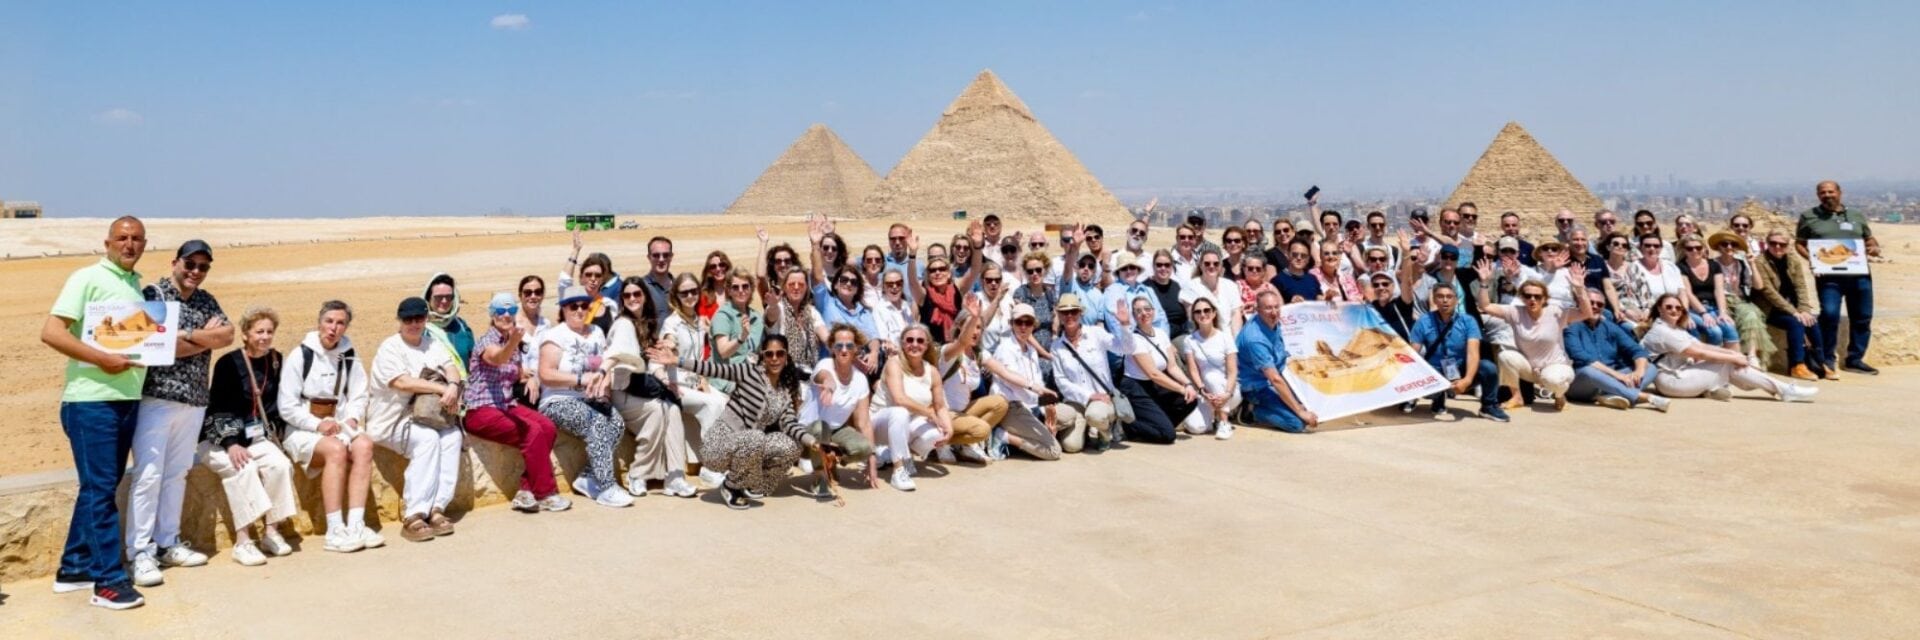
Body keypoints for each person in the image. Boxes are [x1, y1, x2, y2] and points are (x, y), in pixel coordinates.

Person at [39, 217, 152, 608]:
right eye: (122, 238)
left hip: (126, 400)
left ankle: (74, 568)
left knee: (98, 487)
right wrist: (102, 359)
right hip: (91, 402)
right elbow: (52, 332)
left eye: (136, 239)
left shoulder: (135, 286)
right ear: (107, 243)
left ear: (144, 244)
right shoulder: (86, 278)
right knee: (101, 491)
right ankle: (108, 582)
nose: (129, 244)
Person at [124, 239, 232, 586]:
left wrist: (184, 336)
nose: (195, 272)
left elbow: (227, 335)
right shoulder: (153, 295)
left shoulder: (206, 300)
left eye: (203, 267)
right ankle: (139, 552)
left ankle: (167, 542)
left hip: (195, 400)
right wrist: (200, 336)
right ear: (175, 262)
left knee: (177, 474)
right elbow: (154, 346)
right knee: (148, 475)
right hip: (156, 399)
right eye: (190, 264)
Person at [647, 335, 808, 509]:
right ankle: (731, 486)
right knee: (756, 437)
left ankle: (755, 485)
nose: (774, 358)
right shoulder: (749, 372)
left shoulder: (784, 392)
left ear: (786, 356)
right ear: (763, 356)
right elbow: (713, 369)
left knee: (792, 446)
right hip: (718, 447)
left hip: (750, 445)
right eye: (769, 354)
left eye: (780, 353)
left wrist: (813, 442)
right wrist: (677, 360)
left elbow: (790, 424)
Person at [277, 300, 383, 553]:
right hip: (303, 429)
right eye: (329, 321)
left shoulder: (349, 355)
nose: (333, 328)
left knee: (364, 445)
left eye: (340, 323)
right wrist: (317, 424)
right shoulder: (301, 355)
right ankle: (334, 529)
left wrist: (353, 417)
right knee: (336, 450)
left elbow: (359, 394)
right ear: (319, 322)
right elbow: (287, 406)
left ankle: (355, 524)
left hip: (339, 425)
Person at [199, 306, 298, 567]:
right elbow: (217, 407)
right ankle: (243, 542)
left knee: (280, 465)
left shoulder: (275, 360)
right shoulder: (229, 363)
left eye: (269, 331)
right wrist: (231, 443)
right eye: (259, 332)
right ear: (245, 334)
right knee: (244, 468)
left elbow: (278, 404)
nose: (265, 337)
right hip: (218, 440)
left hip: (255, 437)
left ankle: (271, 532)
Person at [369, 297, 467, 543]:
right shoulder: (390, 347)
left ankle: (437, 508)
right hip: (392, 420)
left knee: (453, 436)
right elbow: (402, 382)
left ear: (426, 319)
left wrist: (453, 385)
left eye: (419, 319)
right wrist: (440, 388)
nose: (414, 324)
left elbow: (451, 367)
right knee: (427, 439)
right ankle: (414, 513)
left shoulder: (431, 343)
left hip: (428, 415)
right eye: (408, 319)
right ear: (399, 320)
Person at [463, 292, 570, 514]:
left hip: (505, 405)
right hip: (481, 410)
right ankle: (546, 494)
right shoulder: (488, 341)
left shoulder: (511, 342)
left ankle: (525, 490)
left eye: (510, 310)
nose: (505, 315)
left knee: (547, 427)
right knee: (531, 432)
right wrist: (513, 341)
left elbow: (516, 372)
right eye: (500, 310)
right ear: (492, 314)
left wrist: (528, 377)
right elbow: (497, 358)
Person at [536, 286, 634, 508]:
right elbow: (545, 374)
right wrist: (581, 379)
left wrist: (604, 386)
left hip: (590, 399)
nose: (579, 310)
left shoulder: (597, 332)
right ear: (564, 309)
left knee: (616, 423)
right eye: (574, 306)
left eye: (584, 305)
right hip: (558, 401)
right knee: (596, 422)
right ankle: (607, 487)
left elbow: (605, 365)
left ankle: (588, 477)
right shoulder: (554, 335)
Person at [604, 280, 700, 499]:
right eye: (627, 295)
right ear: (622, 300)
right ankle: (638, 474)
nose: (632, 299)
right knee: (659, 410)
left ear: (645, 296)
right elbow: (618, 356)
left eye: (637, 293)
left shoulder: (647, 324)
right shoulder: (623, 324)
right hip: (623, 390)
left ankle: (675, 477)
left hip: (641, 390)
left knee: (672, 408)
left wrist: (664, 379)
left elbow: (653, 361)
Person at [1640, 294, 1818, 403]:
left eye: (1678, 308)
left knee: (1730, 361)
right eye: (1669, 307)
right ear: (1659, 309)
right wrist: (1733, 358)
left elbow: (1701, 345)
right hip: (1671, 381)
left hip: (1680, 373)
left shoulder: (1674, 328)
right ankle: (1784, 390)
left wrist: (1732, 352)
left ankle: (1712, 389)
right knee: (1729, 364)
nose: (1674, 310)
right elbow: (1698, 353)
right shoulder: (1662, 331)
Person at [1473, 267, 1584, 411]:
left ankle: (1559, 396)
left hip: (1555, 367)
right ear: (1522, 297)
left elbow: (1585, 313)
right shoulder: (1515, 312)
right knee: (1505, 356)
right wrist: (1484, 283)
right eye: (1528, 295)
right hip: (1530, 369)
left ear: (1544, 298)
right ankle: (1517, 397)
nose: (1532, 299)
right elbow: (1485, 306)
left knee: (1553, 380)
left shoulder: (1556, 312)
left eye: (1537, 296)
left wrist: (1580, 290)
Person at [869, 324, 963, 490]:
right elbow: (899, 399)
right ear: (902, 343)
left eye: (920, 341)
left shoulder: (932, 371)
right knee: (900, 413)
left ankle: (901, 454)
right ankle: (899, 470)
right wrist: (929, 413)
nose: (914, 344)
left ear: (927, 345)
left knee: (937, 434)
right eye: (910, 340)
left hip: (908, 423)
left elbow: (940, 406)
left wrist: (949, 429)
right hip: (879, 424)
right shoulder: (894, 363)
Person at [1799, 180, 1878, 375]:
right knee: (1830, 314)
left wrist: (1874, 247)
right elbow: (1799, 243)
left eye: (1831, 191)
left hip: (1859, 275)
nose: (1827, 195)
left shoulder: (1856, 215)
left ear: (1839, 193)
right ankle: (1827, 359)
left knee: (1862, 317)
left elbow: (1869, 239)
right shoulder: (1809, 217)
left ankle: (1855, 359)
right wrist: (1813, 260)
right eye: (1823, 192)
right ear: (1818, 195)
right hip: (1829, 277)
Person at [1410, 283, 1510, 422]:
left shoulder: (1468, 321)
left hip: (1460, 370)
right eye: (1440, 296)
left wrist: (1467, 380)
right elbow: (1413, 354)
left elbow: (1473, 353)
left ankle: (1489, 406)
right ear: (1434, 300)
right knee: (1422, 376)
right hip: (1435, 372)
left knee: (1488, 367)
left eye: (1449, 296)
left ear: (1456, 300)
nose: (1445, 300)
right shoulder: (1423, 321)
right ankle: (1437, 397)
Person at [1563, 288, 1670, 411]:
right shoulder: (1572, 325)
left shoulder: (1609, 326)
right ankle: (1645, 397)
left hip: (1611, 379)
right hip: (1583, 383)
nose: (1595, 306)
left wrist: (1639, 372)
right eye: (1591, 303)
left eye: (1599, 304)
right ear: (1581, 303)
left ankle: (1612, 394)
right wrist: (1617, 376)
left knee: (1651, 367)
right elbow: (1581, 356)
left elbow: (1637, 350)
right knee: (1587, 371)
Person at [1112, 296, 1200, 443]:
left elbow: (1172, 367)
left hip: (1154, 386)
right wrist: (1181, 389)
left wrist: (1188, 385)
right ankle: (1129, 426)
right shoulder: (1135, 340)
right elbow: (1153, 374)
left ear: (1153, 311)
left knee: (1190, 399)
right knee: (1168, 435)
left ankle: (1155, 426)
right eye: (1138, 311)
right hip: (1136, 387)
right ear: (1134, 316)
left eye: (1147, 309)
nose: (1144, 313)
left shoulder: (1161, 333)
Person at [808, 325, 881, 495]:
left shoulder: (860, 379)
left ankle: (831, 460)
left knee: (864, 448)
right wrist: (829, 384)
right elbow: (823, 375)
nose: (844, 350)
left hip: (837, 430)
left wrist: (872, 463)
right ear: (832, 348)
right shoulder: (824, 364)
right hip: (809, 431)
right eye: (839, 345)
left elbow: (864, 423)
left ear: (856, 349)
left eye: (849, 345)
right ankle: (820, 477)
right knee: (820, 428)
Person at [1233, 290, 1317, 432]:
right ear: (1258, 310)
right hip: (1256, 387)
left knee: (1311, 404)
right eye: (1268, 308)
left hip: (1273, 378)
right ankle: (1250, 410)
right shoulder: (1255, 339)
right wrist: (1299, 411)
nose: (1273, 312)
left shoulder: (1270, 321)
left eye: (1276, 307)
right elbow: (1275, 379)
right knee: (1297, 423)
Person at [1050, 294, 1126, 450]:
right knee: (1071, 446)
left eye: (1073, 311)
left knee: (1095, 415)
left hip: (1102, 398)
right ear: (1059, 315)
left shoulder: (1096, 333)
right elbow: (1061, 381)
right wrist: (1088, 396)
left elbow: (1125, 348)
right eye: (1064, 312)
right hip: (1076, 402)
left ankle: (1105, 432)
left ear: (1080, 313)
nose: (1069, 316)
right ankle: (1085, 428)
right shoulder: (1056, 346)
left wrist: (1124, 326)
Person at [932, 305, 1005, 461]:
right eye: (971, 326)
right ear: (960, 327)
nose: (975, 331)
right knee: (982, 430)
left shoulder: (978, 354)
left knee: (1000, 403)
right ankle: (940, 441)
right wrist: (975, 316)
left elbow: (1005, 373)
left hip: (962, 412)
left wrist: (1035, 387)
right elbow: (961, 341)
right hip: (945, 414)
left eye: (979, 327)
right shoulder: (949, 351)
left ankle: (964, 444)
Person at [1753, 230, 1829, 381]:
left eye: (1782, 244)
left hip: (1791, 306)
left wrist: (1804, 309)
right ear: (1767, 244)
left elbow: (1801, 286)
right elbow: (1769, 292)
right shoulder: (1760, 262)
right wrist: (1794, 312)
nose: (1777, 247)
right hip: (1770, 309)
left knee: (1812, 321)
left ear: (1788, 246)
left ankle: (1821, 363)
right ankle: (1797, 365)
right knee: (1796, 323)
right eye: (1773, 243)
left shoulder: (1793, 260)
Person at [1708, 229, 1775, 366]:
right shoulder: (1712, 264)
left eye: (1733, 244)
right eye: (1725, 244)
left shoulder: (1741, 264)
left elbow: (1759, 286)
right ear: (1719, 247)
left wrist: (1752, 264)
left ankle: (1751, 355)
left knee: (1751, 315)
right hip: (1718, 301)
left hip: (1738, 300)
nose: (1729, 247)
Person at [1179, 297, 1240, 438]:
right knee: (1196, 427)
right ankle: (1215, 416)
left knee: (1211, 376)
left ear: (1214, 313)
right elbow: (1193, 370)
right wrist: (1202, 390)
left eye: (1207, 310)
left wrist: (1227, 394)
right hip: (1205, 393)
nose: (1203, 314)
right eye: (1198, 311)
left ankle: (1224, 422)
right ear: (1193, 316)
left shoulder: (1225, 338)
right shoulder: (1190, 340)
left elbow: (1232, 371)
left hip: (1229, 391)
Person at [1677, 234, 1743, 352]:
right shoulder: (1681, 267)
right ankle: (1713, 360)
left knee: (1729, 328)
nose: (1694, 251)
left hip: (1713, 307)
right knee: (1715, 331)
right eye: (1690, 248)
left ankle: (1735, 361)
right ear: (1684, 250)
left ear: (1704, 248)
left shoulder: (1714, 265)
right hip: (1694, 309)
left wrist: (1722, 312)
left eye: (1698, 247)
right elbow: (1688, 293)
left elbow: (1719, 290)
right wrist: (1703, 313)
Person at [709, 267, 766, 387]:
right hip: (727, 381)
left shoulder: (756, 317)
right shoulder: (723, 316)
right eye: (735, 287)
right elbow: (723, 352)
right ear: (729, 291)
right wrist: (741, 337)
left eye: (745, 286)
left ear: (751, 289)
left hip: (751, 376)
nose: (741, 291)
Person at [765, 267, 830, 372]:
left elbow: (825, 336)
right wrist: (772, 306)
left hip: (810, 371)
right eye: (791, 284)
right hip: (784, 372)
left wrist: (838, 346)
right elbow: (771, 316)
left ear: (806, 288)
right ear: (784, 287)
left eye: (801, 284)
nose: (796, 287)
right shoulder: (779, 307)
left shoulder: (811, 311)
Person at [421, 273, 476, 373]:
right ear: (428, 298)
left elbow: (474, 361)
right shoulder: (418, 328)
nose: (444, 301)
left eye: (449, 297)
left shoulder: (461, 326)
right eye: (438, 297)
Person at [1185, 248, 1243, 335]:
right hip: (1203, 336)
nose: (1211, 266)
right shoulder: (1191, 287)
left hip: (1229, 336)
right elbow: (1194, 319)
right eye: (1207, 263)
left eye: (1216, 263)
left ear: (1220, 266)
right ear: (1200, 265)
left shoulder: (1231, 285)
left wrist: (1236, 340)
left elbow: (1236, 315)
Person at [1011, 251, 1060, 348]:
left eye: (1038, 270)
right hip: (1029, 349)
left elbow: (1055, 320)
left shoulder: (1050, 294)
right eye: (1030, 271)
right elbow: (1023, 329)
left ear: (1045, 270)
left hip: (1051, 347)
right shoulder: (1021, 294)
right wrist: (1044, 353)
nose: (1034, 274)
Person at [514, 275, 550, 375]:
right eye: (528, 293)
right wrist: (520, 372)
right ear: (520, 296)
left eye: (537, 292)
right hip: (518, 381)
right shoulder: (512, 324)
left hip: (542, 380)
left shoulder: (546, 324)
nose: (533, 296)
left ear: (542, 295)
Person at [1271, 238, 1322, 303]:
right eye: (1295, 255)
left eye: (1303, 256)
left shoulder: (1313, 279)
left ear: (1308, 259)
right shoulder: (1277, 281)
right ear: (1288, 255)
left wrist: (1326, 298)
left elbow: (1319, 298)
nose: (1299, 258)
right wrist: (1290, 303)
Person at [639, 237, 676, 325]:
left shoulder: (680, 288)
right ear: (649, 257)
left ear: (671, 257)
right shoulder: (640, 288)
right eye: (656, 255)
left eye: (666, 255)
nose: (661, 259)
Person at [696, 250, 732, 320]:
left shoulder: (736, 291)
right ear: (708, 270)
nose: (718, 269)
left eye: (722, 265)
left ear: (727, 267)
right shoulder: (703, 296)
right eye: (713, 267)